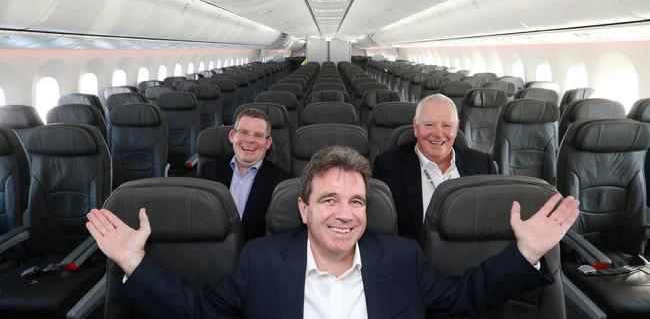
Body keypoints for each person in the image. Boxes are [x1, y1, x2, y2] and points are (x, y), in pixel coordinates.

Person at [87, 146, 580, 319]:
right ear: (303, 210)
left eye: (356, 201)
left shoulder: (400, 257)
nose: (345, 214)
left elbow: (467, 296)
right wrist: (134, 261)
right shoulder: (262, 261)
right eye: (329, 200)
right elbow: (199, 311)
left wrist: (527, 252)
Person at [373, 94, 496, 240]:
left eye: (447, 125)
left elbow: (491, 223)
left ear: (456, 129)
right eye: (429, 124)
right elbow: (382, 230)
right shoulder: (388, 167)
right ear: (416, 127)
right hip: (415, 257)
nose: (438, 133)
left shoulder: (482, 165)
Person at [198, 107, 290, 241]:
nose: (250, 140)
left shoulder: (282, 183)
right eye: (243, 132)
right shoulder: (208, 172)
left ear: (268, 143)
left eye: (258, 135)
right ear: (232, 136)